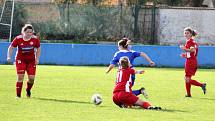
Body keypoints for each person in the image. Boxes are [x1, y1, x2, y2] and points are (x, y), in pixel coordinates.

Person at [7, 24, 41, 98]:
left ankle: (28, 90)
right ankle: (18, 96)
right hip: (20, 60)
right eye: (28, 32)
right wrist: (9, 57)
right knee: (20, 77)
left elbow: (38, 49)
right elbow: (11, 47)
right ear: (23, 32)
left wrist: (37, 59)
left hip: (31, 61)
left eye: (31, 32)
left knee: (31, 79)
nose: (29, 34)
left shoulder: (35, 39)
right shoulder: (18, 39)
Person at [180, 27, 206, 97]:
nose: (185, 34)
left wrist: (184, 49)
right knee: (187, 78)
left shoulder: (190, 41)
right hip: (191, 60)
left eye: (187, 33)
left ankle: (202, 85)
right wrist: (185, 55)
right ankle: (188, 94)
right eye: (185, 33)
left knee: (187, 79)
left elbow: (192, 50)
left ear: (191, 34)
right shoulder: (191, 41)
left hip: (190, 62)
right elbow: (192, 53)